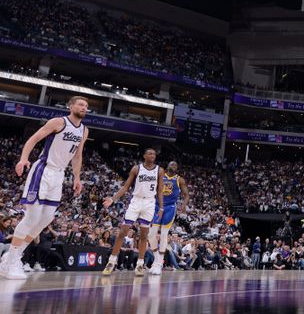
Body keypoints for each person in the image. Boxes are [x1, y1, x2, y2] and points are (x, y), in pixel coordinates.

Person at [0, 96, 89, 280]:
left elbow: (77, 156)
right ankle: (11, 261)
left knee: (46, 218)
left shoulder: (84, 130)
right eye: (80, 104)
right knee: (32, 216)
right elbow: (34, 138)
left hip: (59, 174)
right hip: (43, 169)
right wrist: (23, 158)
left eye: (86, 106)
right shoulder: (58, 122)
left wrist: (77, 178)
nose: (84, 107)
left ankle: (12, 256)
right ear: (70, 106)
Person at [102, 148, 164, 276]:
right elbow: (125, 187)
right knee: (123, 231)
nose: (152, 155)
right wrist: (113, 199)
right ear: (144, 155)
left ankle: (140, 265)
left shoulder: (160, 170)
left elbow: (160, 191)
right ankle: (111, 261)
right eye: (150, 153)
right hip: (136, 201)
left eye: (154, 153)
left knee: (143, 235)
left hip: (149, 203)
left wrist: (161, 208)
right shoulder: (136, 168)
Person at [148, 161, 190, 275]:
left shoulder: (179, 179)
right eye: (172, 164)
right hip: (158, 206)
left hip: (170, 207)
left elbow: (187, 195)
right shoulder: (160, 176)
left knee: (163, 234)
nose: (174, 166)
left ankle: (159, 263)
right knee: (151, 234)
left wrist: (184, 205)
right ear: (167, 166)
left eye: (176, 165)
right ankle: (157, 259)